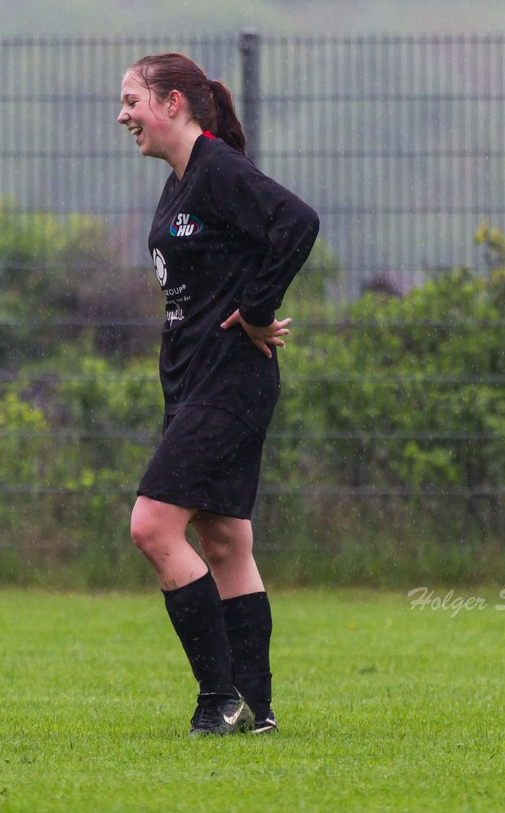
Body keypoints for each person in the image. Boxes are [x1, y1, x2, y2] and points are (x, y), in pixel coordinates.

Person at [116, 53, 319, 736]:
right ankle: (257, 710)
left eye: (132, 101)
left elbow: (297, 221)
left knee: (152, 526)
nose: (123, 116)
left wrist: (259, 308)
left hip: (232, 379)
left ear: (173, 103)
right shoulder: (180, 182)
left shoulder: (216, 167)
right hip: (194, 383)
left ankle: (218, 697)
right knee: (225, 539)